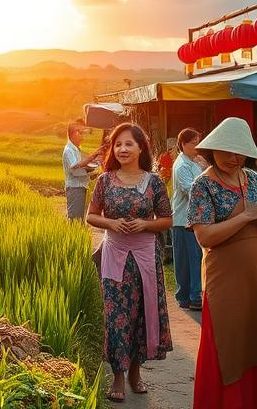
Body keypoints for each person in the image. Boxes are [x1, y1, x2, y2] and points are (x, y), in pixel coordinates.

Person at [188, 117, 257, 409]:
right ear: (213, 150)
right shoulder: (203, 185)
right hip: (225, 280)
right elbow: (205, 237)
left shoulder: (253, 179)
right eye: (227, 152)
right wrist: (247, 215)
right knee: (227, 346)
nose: (233, 159)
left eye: (239, 152)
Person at [86, 122, 173, 402]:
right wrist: (111, 222)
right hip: (115, 256)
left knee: (142, 315)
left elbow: (167, 219)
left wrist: (145, 225)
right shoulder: (105, 180)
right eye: (118, 144)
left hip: (146, 258)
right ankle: (118, 376)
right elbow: (91, 215)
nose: (122, 149)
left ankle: (136, 372)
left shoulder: (154, 182)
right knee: (116, 316)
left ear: (141, 148)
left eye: (129, 144)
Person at [170, 127, 205, 311]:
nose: (197, 146)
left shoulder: (193, 162)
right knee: (187, 259)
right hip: (183, 219)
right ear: (183, 144)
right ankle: (189, 296)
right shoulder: (181, 165)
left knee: (194, 258)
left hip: (192, 219)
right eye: (194, 143)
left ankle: (191, 295)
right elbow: (192, 190)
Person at [63, 120, 99, 220]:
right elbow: (75, 167)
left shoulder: (75, 149)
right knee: (75, 220)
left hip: (79, 187)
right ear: (74, 133)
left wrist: (90, 173)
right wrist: (93, 156)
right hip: (75, 188)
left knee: (78, 218)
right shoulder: (69, 150)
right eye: (80, 132)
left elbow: (77, 170)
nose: (82, 135)